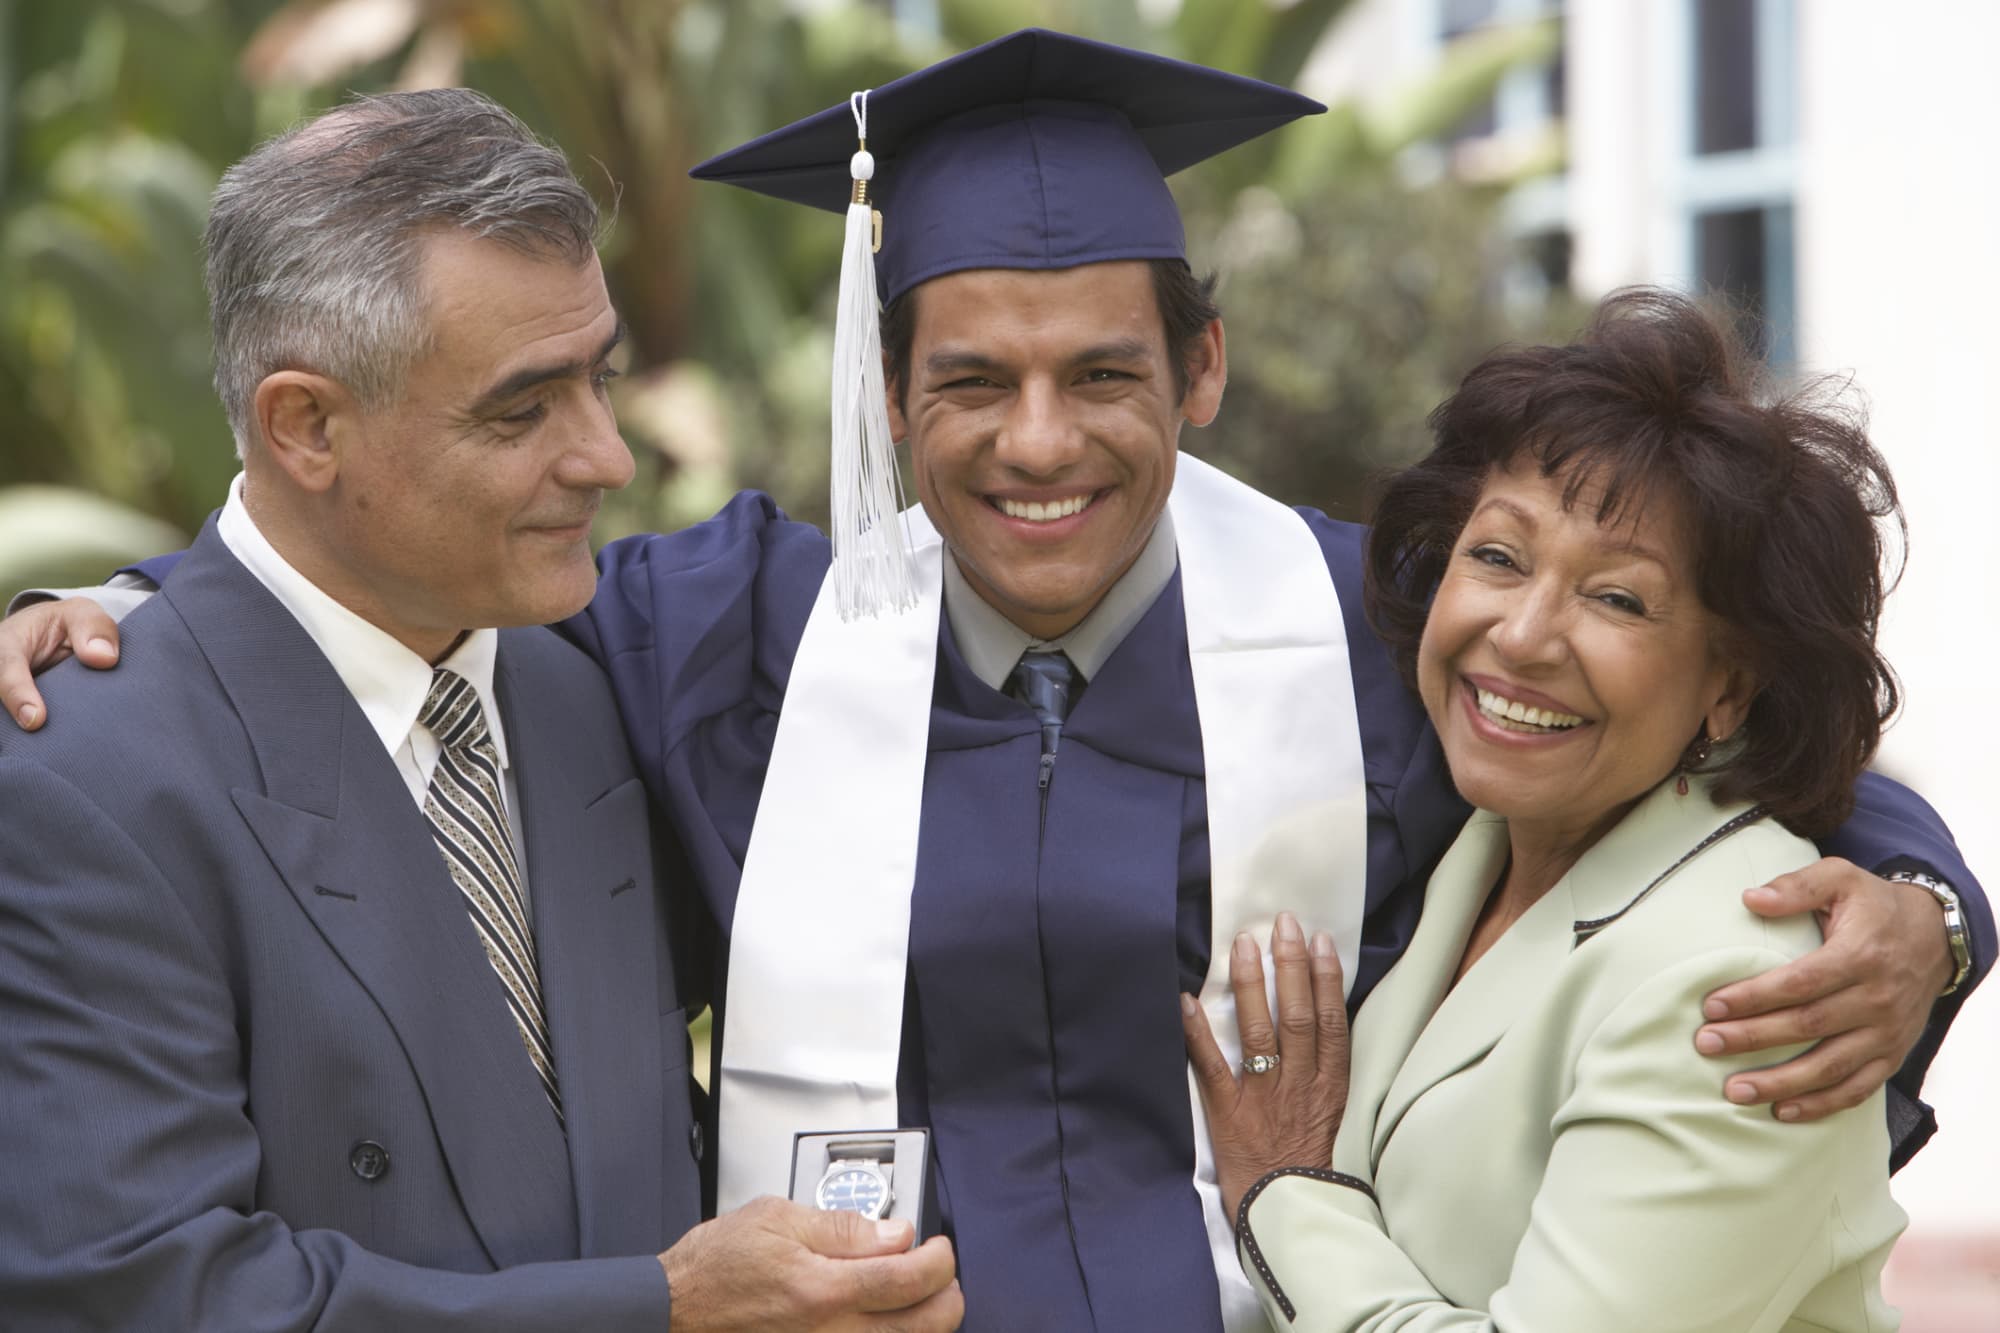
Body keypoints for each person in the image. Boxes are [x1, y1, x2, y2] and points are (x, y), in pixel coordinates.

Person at [0, 31, 1987, 1333]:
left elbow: (1688, 733)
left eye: (1104, 374)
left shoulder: (1367, 625)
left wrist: (1919, 900)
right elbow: (357, 613)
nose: (1040, 443)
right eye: (971, 381)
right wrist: (124, 617)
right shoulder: (722, 635)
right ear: (888, 391)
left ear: (1196, 378)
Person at [0, 89, 962, 1332]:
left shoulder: (588, 681)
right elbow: (144, 1295)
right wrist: (662, 1308)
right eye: (522, 410)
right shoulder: (82, 783)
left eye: (600, 380)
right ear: (305, 425)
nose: (607, 456)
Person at [1186, 290, 1920, 1330]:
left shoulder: (1741, 986)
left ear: (1728, 685)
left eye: (1615, 598)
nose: (1522, 636)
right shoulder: (1477, 845)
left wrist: (1282, 1193)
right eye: (1496, 556)